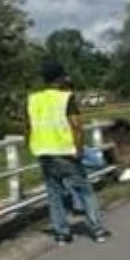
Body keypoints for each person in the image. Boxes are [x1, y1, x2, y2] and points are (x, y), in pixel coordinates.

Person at [26, 61, 111, 244]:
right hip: (65, 152)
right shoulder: (66, 98)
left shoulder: (34, 99)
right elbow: (76, 126)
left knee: (54, 193)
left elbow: (28, 126)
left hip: (44, 152)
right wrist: (79, 149)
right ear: (61, 78)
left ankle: (62, 233)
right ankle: (97, 230)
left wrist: (32, 146)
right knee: (84, 191)